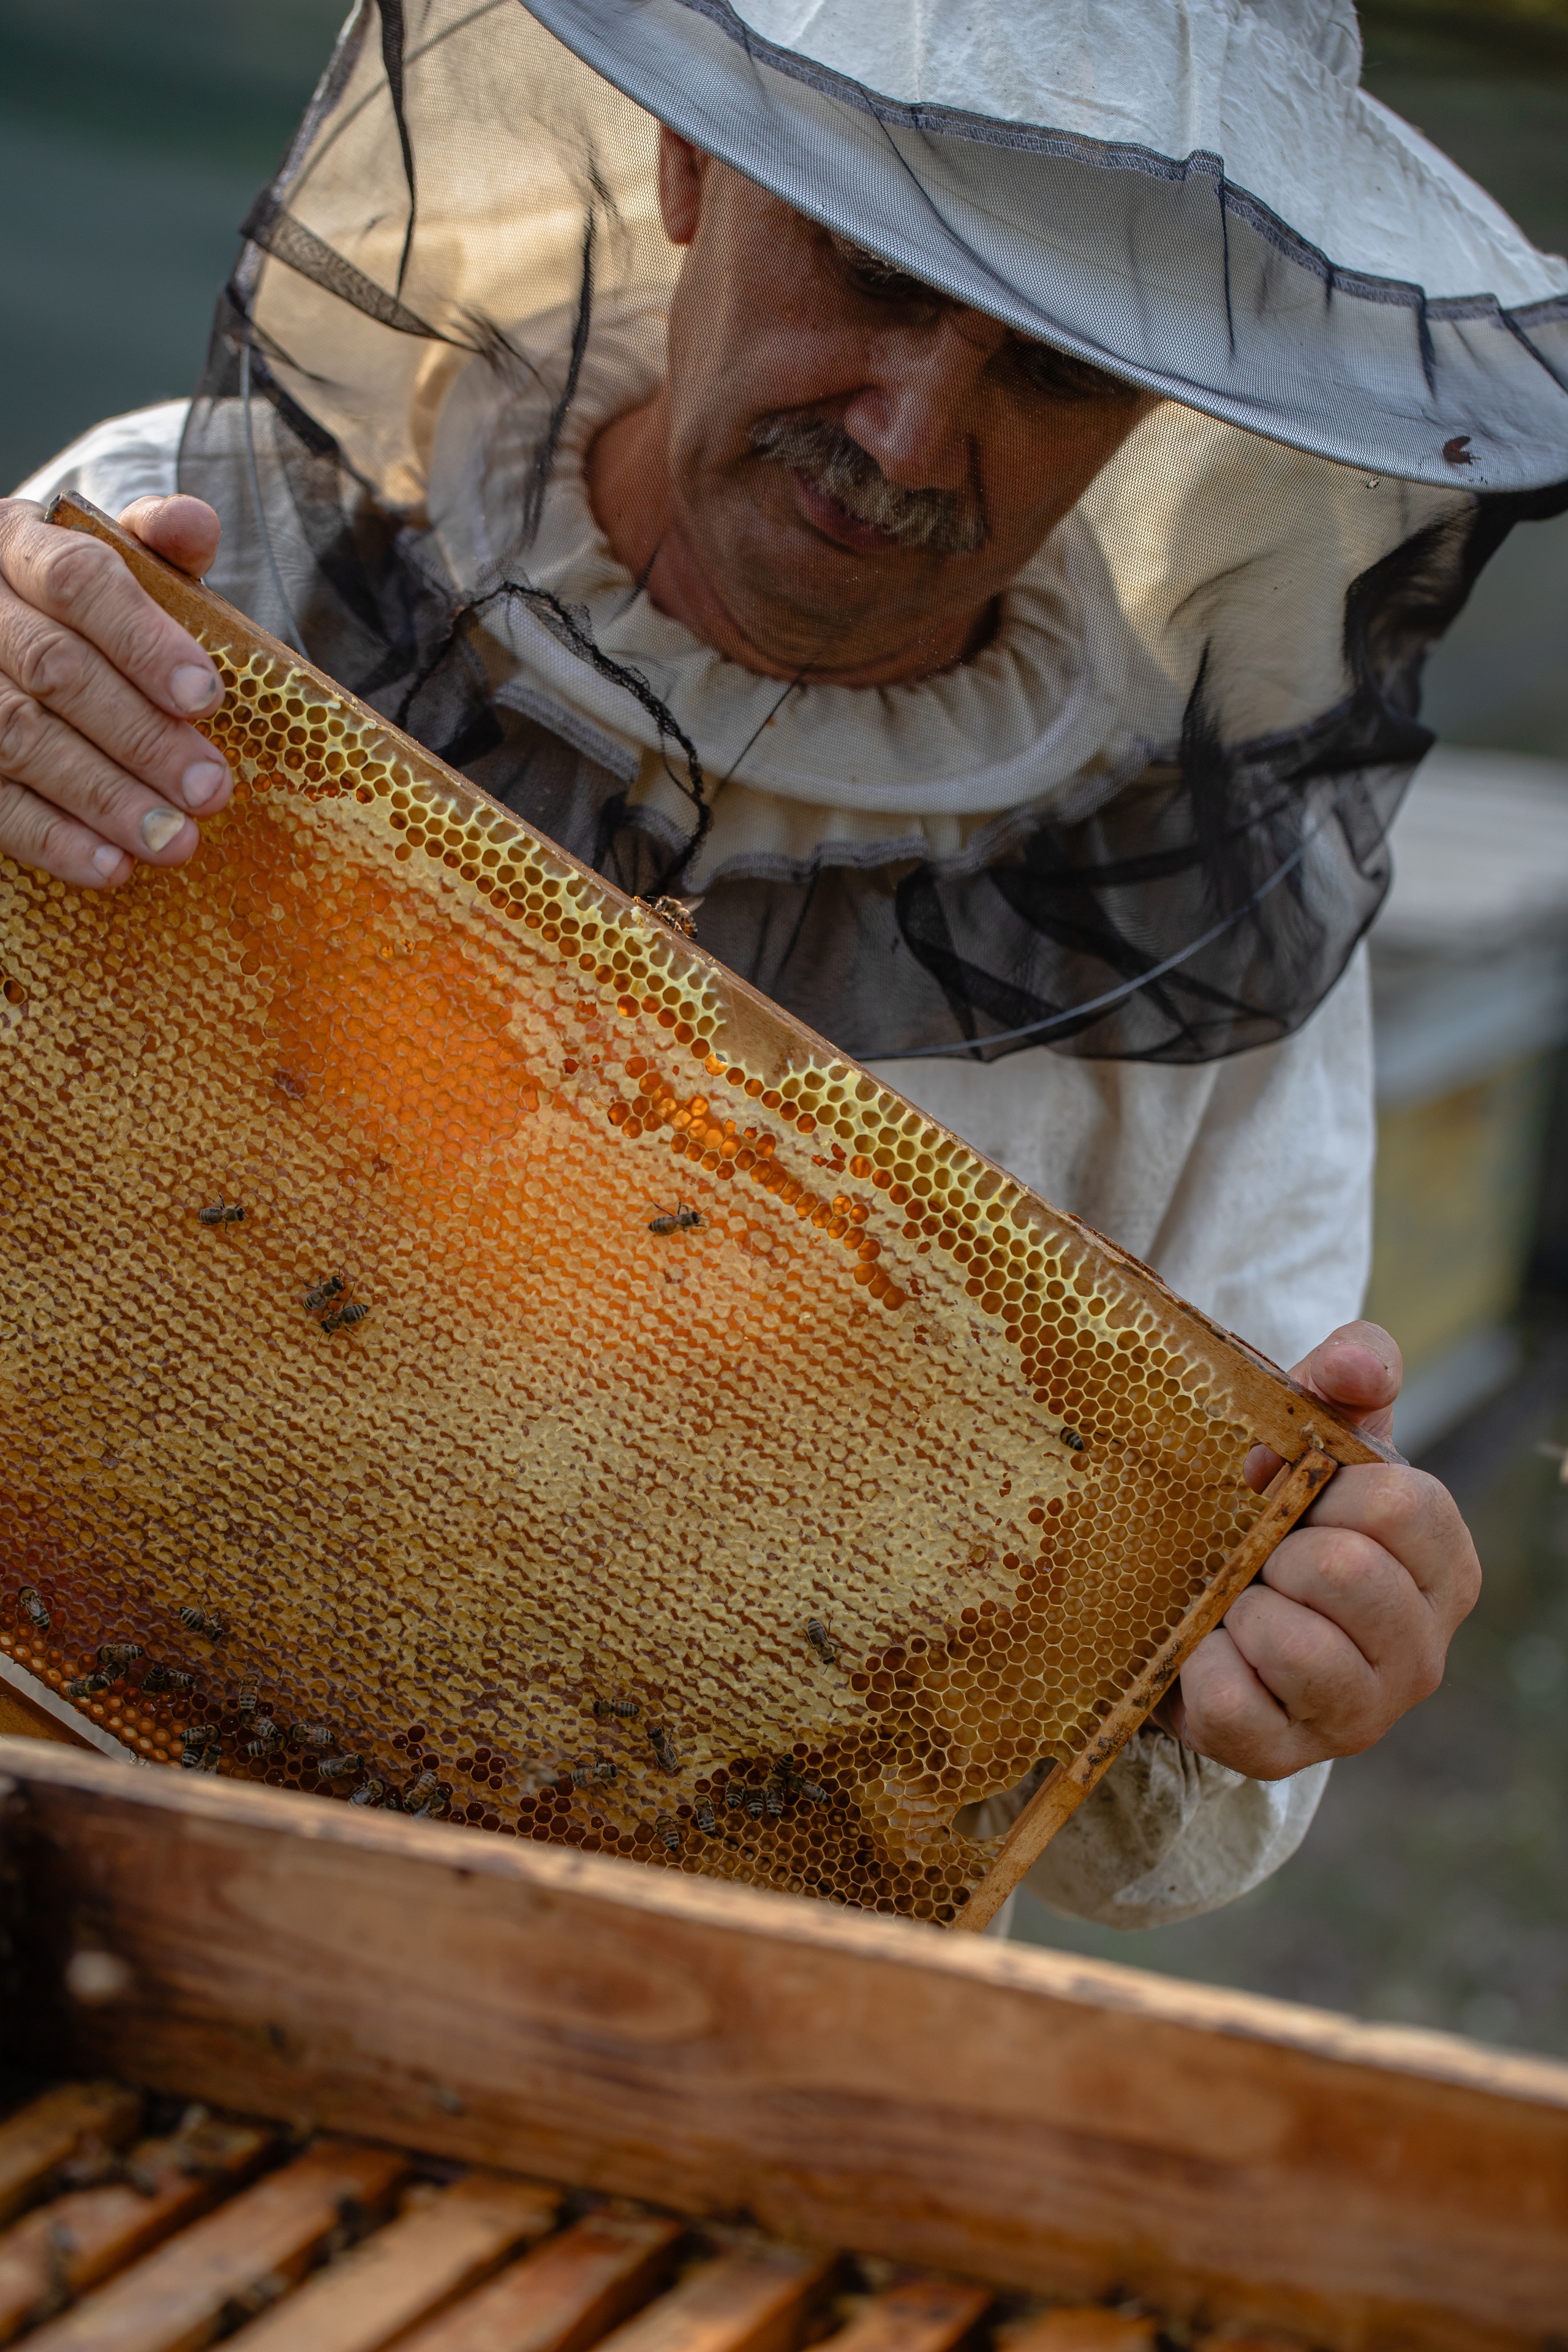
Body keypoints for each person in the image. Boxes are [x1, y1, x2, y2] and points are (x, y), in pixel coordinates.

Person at [5, 0, 1562, 1929]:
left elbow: (1145, 1801)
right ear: (691, 159)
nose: (910, 431)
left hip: (662, 2028)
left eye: (1063, 364)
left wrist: (1284, 1652)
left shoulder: (1195, 916)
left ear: (1172, 396)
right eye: (879, 264)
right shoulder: (185, 559)